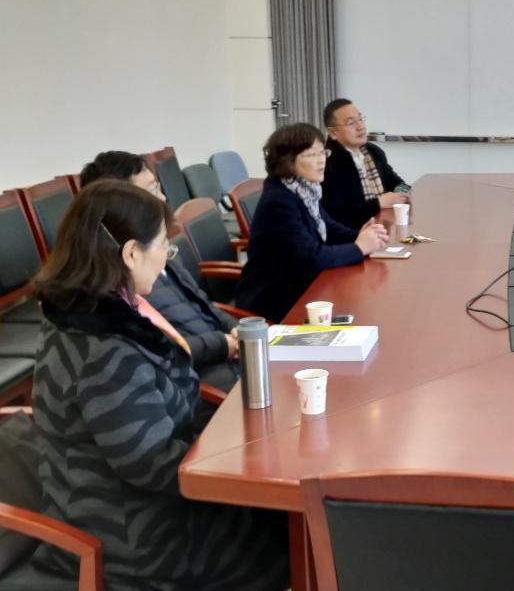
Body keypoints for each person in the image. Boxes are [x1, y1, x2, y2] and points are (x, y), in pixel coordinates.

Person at [31, 180, 289, 591]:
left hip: (119, 493)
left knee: (276, 516)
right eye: (163, 248)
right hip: (125, 520)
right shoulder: (104, 348)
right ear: (131, 253)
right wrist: (240, 461)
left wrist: (235, 443)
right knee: (280, 529)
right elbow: (150, 464)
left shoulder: (93, 308)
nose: (167, 261)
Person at [80, 151, 240, 392]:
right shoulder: (123, 287)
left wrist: (235, 328)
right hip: (207, 380)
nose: (163, 197)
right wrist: (223, 344)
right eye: (152, 190)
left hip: (227, 358)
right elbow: (163, 351)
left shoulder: (160, 252)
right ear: (124, 204)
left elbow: (205, 306)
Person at [236, 123, 389, 322]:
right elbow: (312, 257)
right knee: (363, 312)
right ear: (287, 161)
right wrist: (359, 248)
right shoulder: (279, 201)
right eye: (311, 155)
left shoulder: (304, 190)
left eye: (322, 152)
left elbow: (328, 227)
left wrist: (364, 236)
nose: (321, 160)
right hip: (277, 299)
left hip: (304, 285)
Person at [321, 98, 411, 229]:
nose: (360, 127)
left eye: (360, 119)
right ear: (333, 133)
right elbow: (338, 213)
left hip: (383, 225)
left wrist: (402, 192)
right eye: (351, 122)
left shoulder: (373, 152)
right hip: (352, 234)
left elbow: (395, 181)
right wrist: (378, 203)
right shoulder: (327, 163)